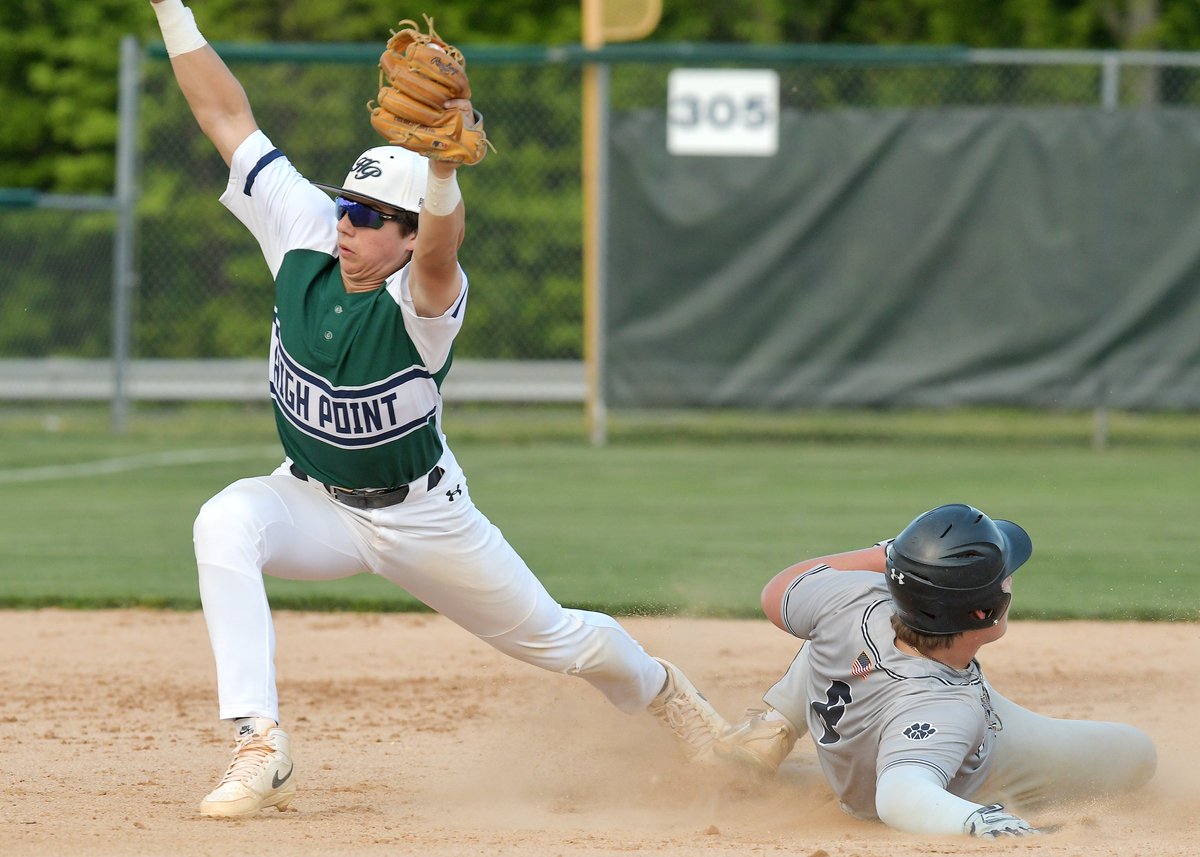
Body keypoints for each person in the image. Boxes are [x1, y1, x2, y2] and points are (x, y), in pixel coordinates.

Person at [148, 0, 728, 818]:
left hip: (424, 517)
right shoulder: (307, 231)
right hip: (312, 497)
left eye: (369, 216)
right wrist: (170, 5)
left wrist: (445, 173)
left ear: (410, 235)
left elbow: (444, 253)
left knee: (557, 638)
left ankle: (667, 692)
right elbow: (224, 112)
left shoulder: (424, 304)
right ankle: (258, 741)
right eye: (346, 204)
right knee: (224, 520)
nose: (346, 222)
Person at [716, 503, 1156, 838]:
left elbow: (779, 591)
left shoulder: (853, 598)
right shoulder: (946, 707)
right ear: (987, 613)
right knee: (1136, 753)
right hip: (944, 766)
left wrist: (892, 557)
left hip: (862, 707)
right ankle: (980, 791)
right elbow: (898, 796)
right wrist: (979, 822)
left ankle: (773, 727)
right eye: (1006, 576)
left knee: (831, 632)